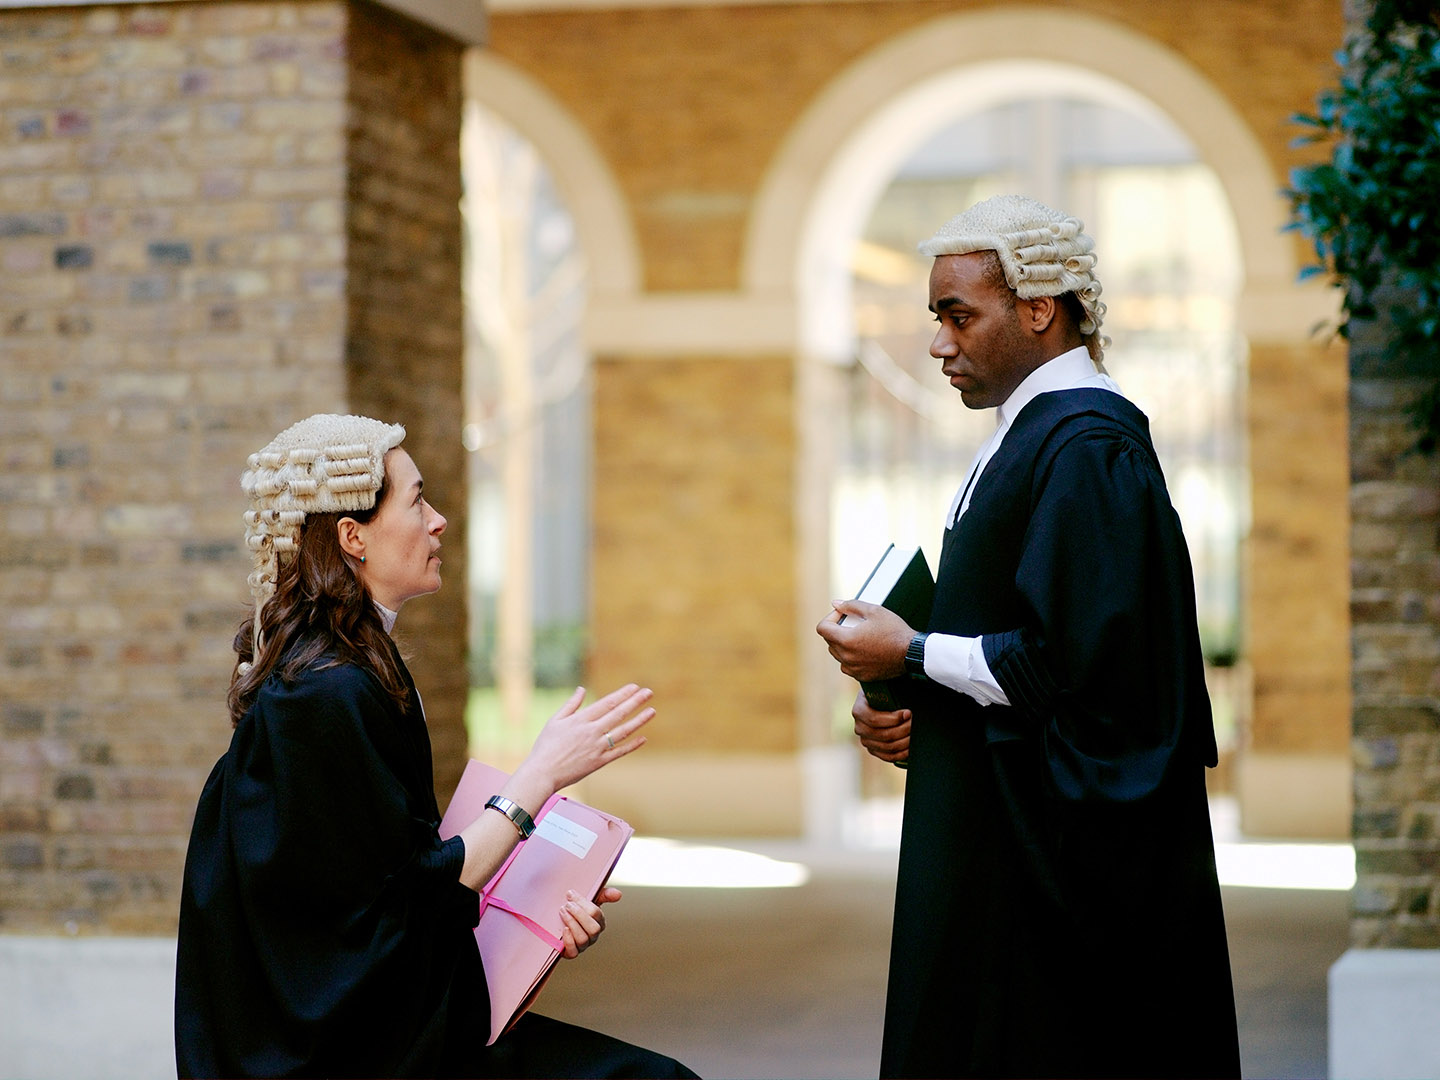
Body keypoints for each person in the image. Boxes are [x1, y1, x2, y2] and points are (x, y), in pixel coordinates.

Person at [816, 196, 1240, 1079]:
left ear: (1040, 309)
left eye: (958, 315)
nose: (939, 343)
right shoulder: (1030, 434)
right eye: (938, 317)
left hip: (1062, 883)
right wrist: (912, 702)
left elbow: (1077, 668)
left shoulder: (1088, 446)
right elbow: (1017, 637)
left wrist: (915, 654)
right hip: (1001, 844)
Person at [175, 413, 698, 1079]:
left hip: (397, 1028)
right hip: (359, 1055)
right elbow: (399, 907)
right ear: (352, 536)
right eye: (418, 500)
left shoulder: (351, 669)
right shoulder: (323, 696)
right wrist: (539, 776)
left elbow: (391, 883)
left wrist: (542, 909)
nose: (439, 519)